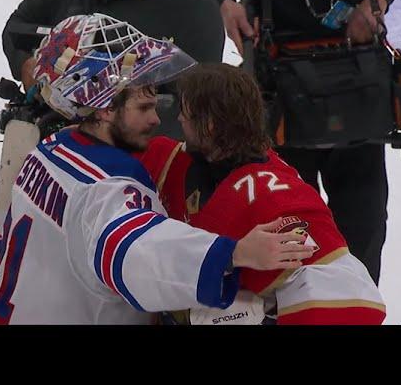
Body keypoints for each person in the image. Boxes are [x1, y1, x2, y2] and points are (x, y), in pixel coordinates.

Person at [0, 14, 314, 325]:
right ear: (103, 109)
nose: (156, 118)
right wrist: (233, 253)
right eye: (143, 107)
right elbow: (134, 253)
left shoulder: (49, 149)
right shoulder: (106, 186)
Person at [200, 0, 401, 284]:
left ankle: (357, 308)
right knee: (291, 231)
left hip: (356, 83)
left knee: (364, 225)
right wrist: (226, 5)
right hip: (280, 93)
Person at [137, 64, 386, 324]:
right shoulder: (188, 160)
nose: (179, 119)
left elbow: (349, 298)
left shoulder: (267, 198)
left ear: (209, 125)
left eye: (184, 112)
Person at [2, 0, 225, 138]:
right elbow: (17, 28)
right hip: (52, 139)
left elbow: (203, 98)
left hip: (137, 160)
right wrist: (26, 65)